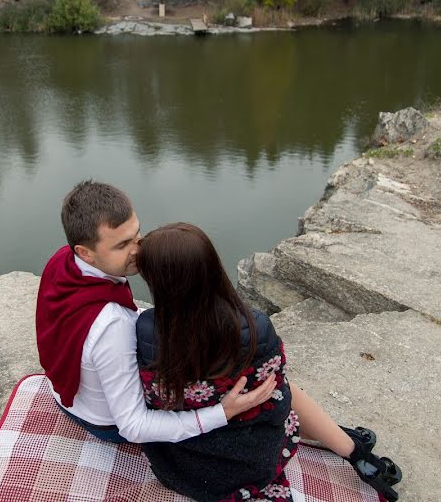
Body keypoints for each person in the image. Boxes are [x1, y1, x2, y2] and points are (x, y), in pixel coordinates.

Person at [135, 222, 402, 502]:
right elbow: (279, 402)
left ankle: (348, 444)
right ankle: (354, 453)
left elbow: (153, 399)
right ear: (212, 268)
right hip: (253, 467)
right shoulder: (254, 326)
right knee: (279, 388)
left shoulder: (145, 330)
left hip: (181, 468)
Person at [35, 181, 276, 445]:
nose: (138, 248)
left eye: (137, 234)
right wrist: (223, 412)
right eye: (122, 245)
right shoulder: (113, 326)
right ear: (85, 252)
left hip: (67, 396)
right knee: (255, 382)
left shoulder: (64, 261)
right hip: (105, 423)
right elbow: (134, 426)